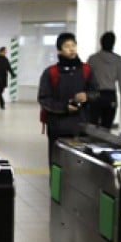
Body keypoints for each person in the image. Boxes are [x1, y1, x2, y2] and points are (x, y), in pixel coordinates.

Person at [38, 32, 98, 163]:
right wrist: (65, 107)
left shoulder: (87, 70)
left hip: (81, 127)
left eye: (73, 45)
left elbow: (96, 92)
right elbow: (44, 99)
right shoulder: (51, 72)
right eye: (67, 46)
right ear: (59, 50)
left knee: (80, 164)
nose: (71, 49)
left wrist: (87, 96)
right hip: (58, 128)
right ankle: (56, 184)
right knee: (57, 163)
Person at [87, 31, 121, 130]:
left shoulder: (93, 59)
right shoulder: (118, 61)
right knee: (106, 127)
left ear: (101, 42)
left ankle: (92, 144)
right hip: (110, 96)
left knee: (93, 126)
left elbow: (87, 79)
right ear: (113, 44)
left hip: (95, 96)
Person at [0, 46, 16, 111]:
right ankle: (1, 105)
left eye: (5, 51)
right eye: (4, 51)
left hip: (3, 79)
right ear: (0, 52)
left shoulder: (6, 60)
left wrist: (13, 74)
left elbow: (9, 68)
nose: (5, 52)